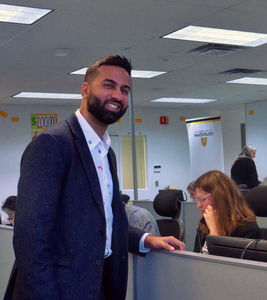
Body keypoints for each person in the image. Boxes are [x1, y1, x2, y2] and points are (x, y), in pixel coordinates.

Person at [5, 55, 184, 300]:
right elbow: (30, 240)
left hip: (98, 286)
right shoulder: (52, 144)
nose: (117, 95)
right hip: (56, 291)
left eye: (125, 89)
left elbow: (102, 223)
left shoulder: (106, 152)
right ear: (85, 90)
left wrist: (145, 239)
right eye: (108, 85)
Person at [193, 170, 260, 254]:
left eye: (202, 199)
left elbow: (222, 265)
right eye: (197, 200)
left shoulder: (247, 230)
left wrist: (214, 231)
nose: (198, 205)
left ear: (219, 198)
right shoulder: (204, 224)